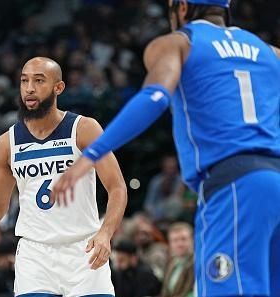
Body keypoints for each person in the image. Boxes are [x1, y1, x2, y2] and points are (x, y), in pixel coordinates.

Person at [52, 1, 280, 296]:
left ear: (181, 7)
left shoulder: (179, 42)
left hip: (236, 186)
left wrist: (91, 155)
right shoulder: (269, 53)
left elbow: (155, 96)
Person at [0, 56, 127, 297]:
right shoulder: (6, 143)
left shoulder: (84, 129)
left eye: (39, 81)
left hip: (84, 249)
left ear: (58, 87)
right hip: (35, 255)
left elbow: (116, 187)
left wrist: (105, 233)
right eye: (24, 81)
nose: (29, 88)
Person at [161, 222, 194, 297]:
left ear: (192, 240)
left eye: (183, 239)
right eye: (175, 240)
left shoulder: (197, 263)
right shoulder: (171, 262)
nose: (179, 244)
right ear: (170, 243)